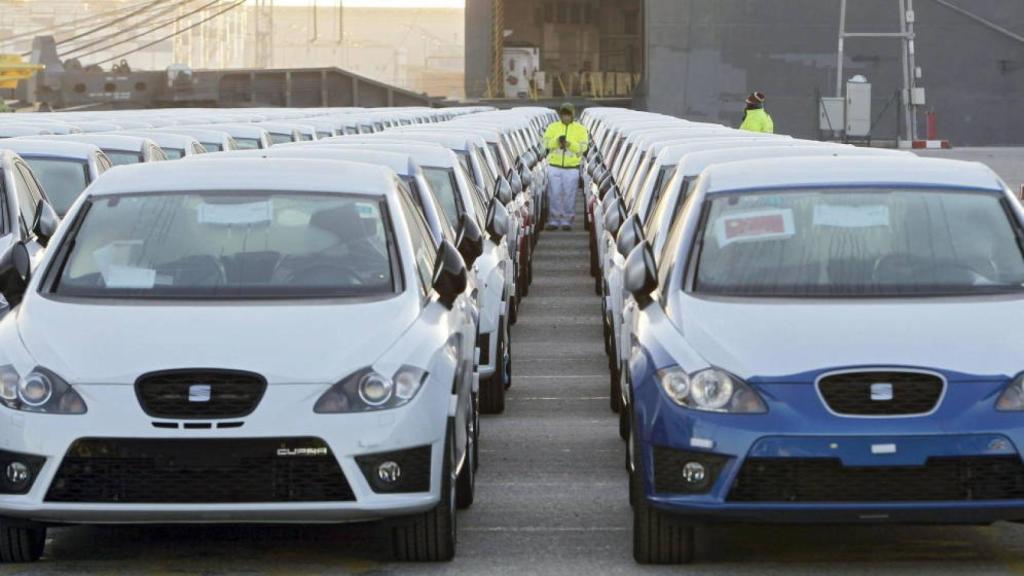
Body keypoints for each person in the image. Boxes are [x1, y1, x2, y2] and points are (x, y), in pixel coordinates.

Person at [544, 102, 589, 231]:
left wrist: (569, 144)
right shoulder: (552, 127)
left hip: (572, 168)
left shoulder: (580, 129)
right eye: (564, 114)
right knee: (554, 194)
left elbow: (583, 147)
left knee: (570, 195)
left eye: (568, 114)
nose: (566, 117)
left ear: (572, 115)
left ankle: (567, 220)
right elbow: (546, 143)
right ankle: (553, 220)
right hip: (554, 166)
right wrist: (557, 141)